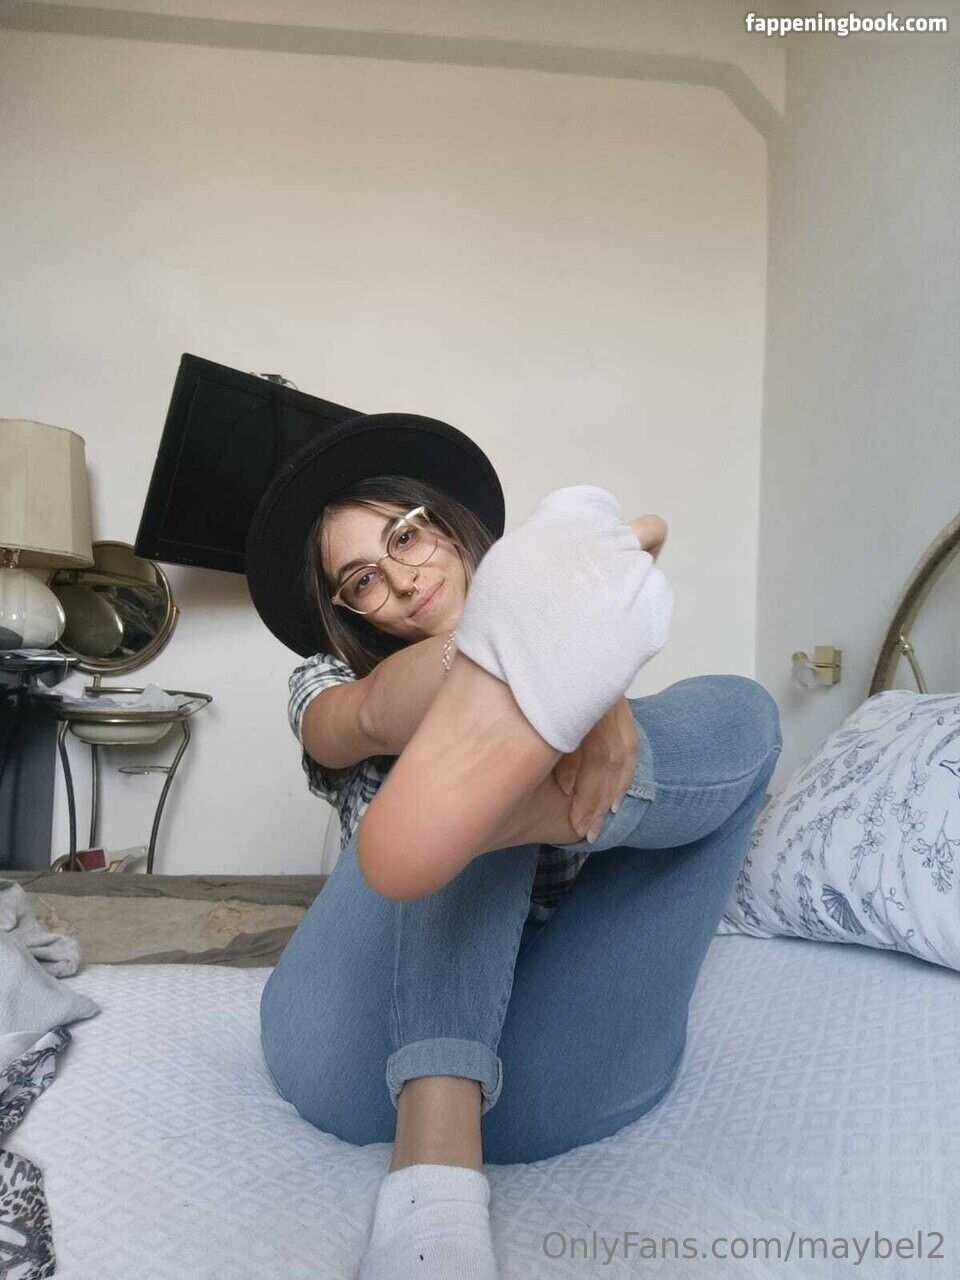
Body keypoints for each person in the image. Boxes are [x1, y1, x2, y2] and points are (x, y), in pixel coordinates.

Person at [246, 413, 783, 1280]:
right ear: (346, 611)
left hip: (552, 1072)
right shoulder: (325, 677)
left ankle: (526, 797)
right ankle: (433, 1172)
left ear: (448, 520)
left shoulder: (579, 654)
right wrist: (511, 658)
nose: (402, 579)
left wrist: (583, 689)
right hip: (349, 1052)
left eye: (406, 535)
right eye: (363, 581)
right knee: (474, 754)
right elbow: (358, 719)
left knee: (742, 707)